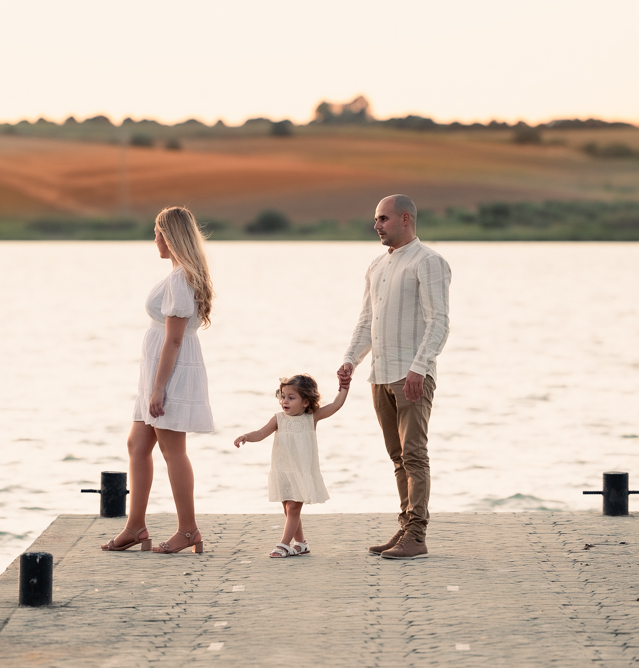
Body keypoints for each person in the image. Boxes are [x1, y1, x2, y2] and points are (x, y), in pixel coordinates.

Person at [338, 194, 451, 560]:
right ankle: (405, 526)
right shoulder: (376, 266)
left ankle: (417, 535)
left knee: (415, 455)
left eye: (383, 219)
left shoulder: (429, 261)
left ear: (405, 219)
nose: (377, 225)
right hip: (380, 375)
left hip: (411, 376)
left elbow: (439, 322)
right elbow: (366, 322)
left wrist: (419, 368)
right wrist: (350, 361)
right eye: (376, 219)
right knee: (397, 457)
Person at [102, 206, 214, 555]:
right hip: (156, 371)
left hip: (171, 372)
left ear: (171, 236)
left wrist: (159, 388)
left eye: (157, 232)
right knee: (137, 445)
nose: (155, 239)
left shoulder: (181, 280)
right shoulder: (178, 275)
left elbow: (174, 340)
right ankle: (135, 526)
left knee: (172, 450)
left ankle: (188, 529)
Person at [233, 374, 348, 558]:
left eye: (291, 398)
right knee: (288, 508)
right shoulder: (279, 419)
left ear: (306, 402)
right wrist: (247, 436)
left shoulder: (312, 418)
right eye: (283, 396)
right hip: (283, 470)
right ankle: (301, 543)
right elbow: (261, 433)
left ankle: (284, 544)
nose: (284, 401)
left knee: (294, 508)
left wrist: (344, 387)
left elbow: (336, 405)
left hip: (301, 471)